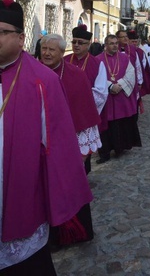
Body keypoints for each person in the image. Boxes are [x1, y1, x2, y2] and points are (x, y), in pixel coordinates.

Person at [0, 0, 92, 275]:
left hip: (20, 193)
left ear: (19, 37)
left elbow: (59, 147)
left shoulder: (42, 80)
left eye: (2, 32)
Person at [40, 33, 101, 246]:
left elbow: (84, 113)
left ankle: (74, 232)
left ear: (61, 52)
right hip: (40, 145)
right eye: (43, 49)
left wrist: (84, 151)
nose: (46, 53)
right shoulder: (32, 73)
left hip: (70, 145)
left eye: (52, 50)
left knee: (71, 188)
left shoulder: (75, 75)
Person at [64, 24, 109, 172]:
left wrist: (79, 101)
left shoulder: (97, 64)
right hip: (63, 113)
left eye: (80, 42)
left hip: (84, 115)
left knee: (83, 155)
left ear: (88, 44)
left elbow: (101, 93)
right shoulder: (64, 60)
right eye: (74, 42)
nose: (76, 45)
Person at [96, 34, 142, 163]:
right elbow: (94, 77)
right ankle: (104, 152)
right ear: (105, 45)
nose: (115, 45)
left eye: (116, 43)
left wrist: (119, 85)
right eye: (111, 43)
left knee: (120, 124)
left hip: (121, 97)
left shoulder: (124, 58)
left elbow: (131, 74)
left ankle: (119, 148)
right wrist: (110, 85)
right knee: (106, 124)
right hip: (106, 98)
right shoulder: (97, 59)